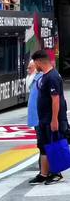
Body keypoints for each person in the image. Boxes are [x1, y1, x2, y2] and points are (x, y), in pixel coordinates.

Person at [29, 50, 68, 185]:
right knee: (44, 145)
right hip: (44, 119)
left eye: (35, 63)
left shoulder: (52, 77)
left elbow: (55, 99)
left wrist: (54, 120)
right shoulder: (45, 76)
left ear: (39, 62)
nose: (35, 66)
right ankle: (44, 174)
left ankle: (56, 173)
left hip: (52, 119)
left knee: (54, 145)